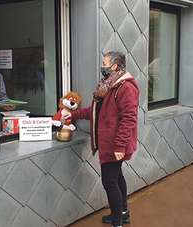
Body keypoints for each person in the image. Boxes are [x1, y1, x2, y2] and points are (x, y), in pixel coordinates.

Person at [64, 51, 139, 227]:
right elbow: (95, 112)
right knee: (117, 176)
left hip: (114, 144)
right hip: (108, 143)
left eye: (105, 63)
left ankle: (117, 223)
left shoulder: (125, 87)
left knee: (109, 182)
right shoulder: (107, 86)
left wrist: (120, 145)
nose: (102, 66)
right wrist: (72, 115)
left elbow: (129, 118)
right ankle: (122, 213)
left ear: (114, 66)